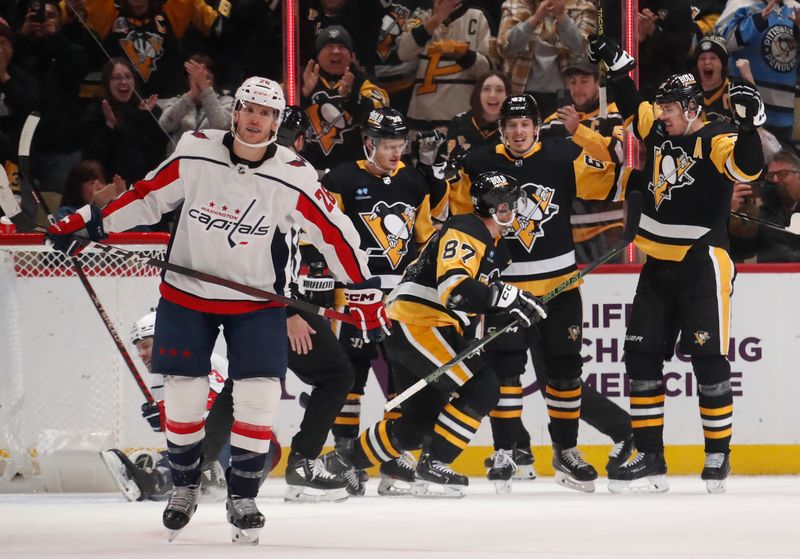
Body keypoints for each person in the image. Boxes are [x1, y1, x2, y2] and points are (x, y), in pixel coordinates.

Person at [47, 76, 386, 544]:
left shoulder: (296, 173)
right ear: (236, 111)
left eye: (266, 113)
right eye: (248, 109)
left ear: (276, 120)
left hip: (257, 301)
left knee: (259, 396)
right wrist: (86, 223)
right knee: (184, 395)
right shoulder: (195, 149)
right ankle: (185, 486)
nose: (254, 119)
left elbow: (335, 231)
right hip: (188, 293)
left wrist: (363, 288)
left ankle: (242, 494)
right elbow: (145, 197)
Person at [588, 34, 764, 493]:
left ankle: (717, 454)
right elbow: (633, 104)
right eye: (663, 107)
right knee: (641, 355)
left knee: (708, 358)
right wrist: (617, 65)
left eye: (669, 107)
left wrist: (748, 129)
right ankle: (649, 455)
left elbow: (746, 170)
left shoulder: (716, 136)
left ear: (691, 108)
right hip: (659, 266)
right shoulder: (663, 130)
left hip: (703, 262)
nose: (661, 113)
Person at [447, 93, 630, 494]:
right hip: (506, 289)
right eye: (511, 125)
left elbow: (612, 179)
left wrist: (586, 132)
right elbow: (461, 216)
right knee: (506, 373)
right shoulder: (479, 162)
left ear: (535, 126)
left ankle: (566, 451)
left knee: (565, 370)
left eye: (525, 124)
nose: (518, 131)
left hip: (560, 286)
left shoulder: (562, 155)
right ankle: (506, 451)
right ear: (502, 128)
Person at [323, 171, 547, 497]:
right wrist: (505, 297)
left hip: (424, 325)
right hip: (418, 323)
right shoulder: (467, 229)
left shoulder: (494, 244)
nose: (511, 209)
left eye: (513, 203)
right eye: (506, 204)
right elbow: (455, 290)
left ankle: (337, 465)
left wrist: (508, 306)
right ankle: (435, 463)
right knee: (482, 388)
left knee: (417, 422)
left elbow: (471, 300)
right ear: (491, 207)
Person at [322, 107, 435, 496]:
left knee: (402, 380)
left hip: (400, 299)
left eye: (400, 145)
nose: (395, 153)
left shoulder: (414, 182)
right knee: (349, 380)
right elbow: (325, 238)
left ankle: (394, 460)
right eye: (388, 146)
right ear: (369, 143)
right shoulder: (340, 179)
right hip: (353, 295)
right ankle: (344, 458)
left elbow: (423, 243)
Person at [99, 311, 281, 503]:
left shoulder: (197, 362)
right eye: (139, 349)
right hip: (243, 451)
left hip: (247, 446)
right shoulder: (167, 376)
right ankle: (158, 470)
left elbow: (217, 415)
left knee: (195, 454)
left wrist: (165, 416)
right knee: (166, 456)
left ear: (167, 341)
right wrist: (165, 419)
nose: (141, 354)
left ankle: (155, 479)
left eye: (146, 346)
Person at [539, 57, 627, 264]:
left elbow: (618, 155)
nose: (577, 88)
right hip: (566, 224)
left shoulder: (614, 113)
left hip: (609, 223)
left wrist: (578, 131)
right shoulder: (552, 121)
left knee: (610, 289)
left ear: (597, 83)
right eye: (573, 82)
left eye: (584, 81)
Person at [300, 25, 390, 170]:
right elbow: (277, 116)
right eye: (329, 46)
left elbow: (381, 116)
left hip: (351, 172)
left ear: (351, 55)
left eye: (342, 47)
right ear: (318, 53)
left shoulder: (365, 83)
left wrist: (352, 96)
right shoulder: (300, 78)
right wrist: (302, 94)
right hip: (305, 169)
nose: (336, 51)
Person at [79, 58, 168, 186]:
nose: (124, 82)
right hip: (111, 188)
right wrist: (110, 127)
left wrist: (145, 118)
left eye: (128, 76)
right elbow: (92, 158)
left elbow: (159, 151)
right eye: (116, 78)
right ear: (107, 82)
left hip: (146, 187)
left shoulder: (145, 108)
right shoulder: (96, 111)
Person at [729, 149, 800, 262]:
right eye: (771, 176)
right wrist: (730, 213)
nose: (775, 180)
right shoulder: (760, 210)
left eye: (782, 174)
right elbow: (741, 250)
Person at [158, 54, 234, 156]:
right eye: (195, 78)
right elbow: (165, 126)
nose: (200, 82)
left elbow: (221, 126)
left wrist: (206, 90)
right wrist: (191, 96)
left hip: (211, 165)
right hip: (179, 164)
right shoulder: (176, 101)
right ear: (187, 80)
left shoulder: (227, 101)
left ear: (214, 80)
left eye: (206, 78)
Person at [693, 32, 732, 123]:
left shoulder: (735, 93)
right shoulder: (688, 93)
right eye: (702, 58)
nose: (707, 62)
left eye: (713, 58)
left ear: (723, 64)